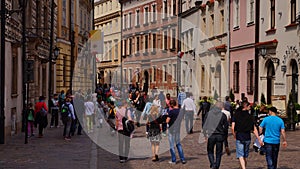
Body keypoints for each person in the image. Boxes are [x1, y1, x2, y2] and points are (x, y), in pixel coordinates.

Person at [231, 101, 263, 169]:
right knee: (244, 155)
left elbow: (233, 127)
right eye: (249, 106)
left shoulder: (236, 115)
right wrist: (259, 139)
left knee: (240, 155)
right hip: (247, 137)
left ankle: (243, 167)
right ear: (246, 107)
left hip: (239, 136)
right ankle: (243, 167)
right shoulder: (250, 117)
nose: (250, 107)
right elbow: (254, 129)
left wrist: (234, 135)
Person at [203, 101, 229, 169]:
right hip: (220, 135)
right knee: (218, 152)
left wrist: (205, 134)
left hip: (211, 135)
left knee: (210, 151)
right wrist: (225, 138)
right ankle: (216, 166)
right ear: (221, 107)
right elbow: (226, 127)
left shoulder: (209, 114)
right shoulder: (223, 115)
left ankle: (212, 164)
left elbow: (204, 125)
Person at [166, 100, 186, 165]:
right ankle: (182, 159)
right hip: (178, 128)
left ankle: (174, 160)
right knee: (178, 144)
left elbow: (167, 121)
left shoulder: (171, 112)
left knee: (172, 145)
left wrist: (167, 116)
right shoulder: (180, 111)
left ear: (171, 105)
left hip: (171, 129)